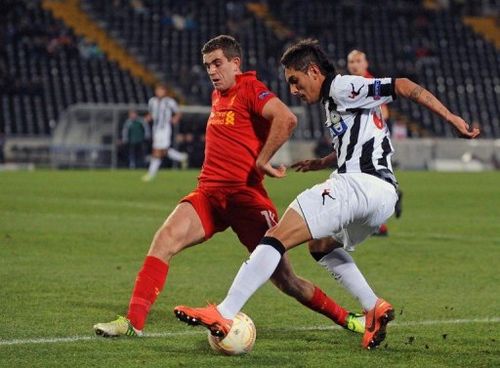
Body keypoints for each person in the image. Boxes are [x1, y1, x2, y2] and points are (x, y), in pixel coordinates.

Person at [174, 39, 480, 350]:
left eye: (295, 80)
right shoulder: (335, 101)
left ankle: (224, 313)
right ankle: (373, 306)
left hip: (359, 185)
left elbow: (403, 85)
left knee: (276, 237)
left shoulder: (340, 87)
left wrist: (451, 118)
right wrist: (321, 162)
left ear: (313, 71)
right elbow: (356, 143)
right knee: (320, 246)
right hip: (382, 196)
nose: (293, 89)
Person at [93, 35, 364, 339]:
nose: (211, 70)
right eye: (208, 65)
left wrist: (263, 159)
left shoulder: (249, 87)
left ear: (236, 63)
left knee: (287, 280)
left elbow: (286, 119)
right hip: (209, 194)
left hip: (246, 198)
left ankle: (349, 319)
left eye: (218, 63)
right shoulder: (217, 96)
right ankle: (133, 323)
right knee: (164, 239)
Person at [347, 49, 400, 234]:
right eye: (351, 61)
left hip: (369, 141)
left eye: (358, 60)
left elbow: (384, 113)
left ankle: (378, 219)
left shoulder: (370, 83)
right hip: (359, 141)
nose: (354, 64)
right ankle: (377, 221)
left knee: (362, 181)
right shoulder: (350, 84)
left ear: (365, 63)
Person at [142, 83, 188, 181]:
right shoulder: (152, 101)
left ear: (165, 91)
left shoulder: (169, 102)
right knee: (163, 151)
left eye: (161, 90)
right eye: (158, 90)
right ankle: (181, 157)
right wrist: (148, 118)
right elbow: (151, 113)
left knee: (156, 151)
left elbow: (178, 112)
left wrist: (175, 118)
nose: (159, 92)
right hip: (155, 129)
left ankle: (151, 174)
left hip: (165, 129)